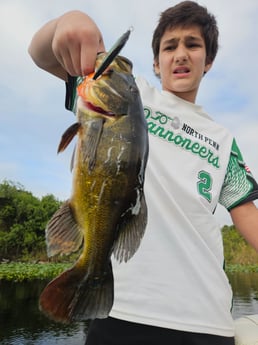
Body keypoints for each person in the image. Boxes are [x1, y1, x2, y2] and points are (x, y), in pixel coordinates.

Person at [29, 1, 258, 344]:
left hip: (206, 317)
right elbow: (42, 54)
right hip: (123, 308)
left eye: (193, 45)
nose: (180, 54)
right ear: (156, 62)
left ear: (208, 61)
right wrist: (67, 22)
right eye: (170, 46)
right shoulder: (120, 87)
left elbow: (245, 213)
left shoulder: (224, 140)